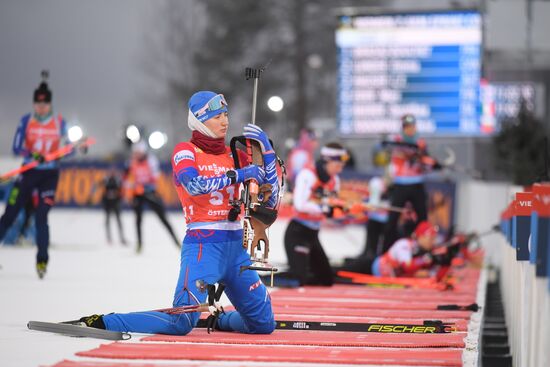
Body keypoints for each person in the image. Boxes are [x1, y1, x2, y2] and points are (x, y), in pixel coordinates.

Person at [78, 90, 279, 335]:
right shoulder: (186, 151)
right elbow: (194, 186)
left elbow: (270, 203)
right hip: (203, 248)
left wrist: (268, 156)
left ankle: (219, 320)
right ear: (199, 120)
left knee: (264, 325)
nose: (225, 121)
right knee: (180, 322)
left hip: (236, 250)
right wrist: (238, 175)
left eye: (226, 115)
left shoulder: (235, 154)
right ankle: (107, 321)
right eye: (217, 117)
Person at [0, 75, 68, 279]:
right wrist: (32, 155)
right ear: (34, 104)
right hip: (28, 173)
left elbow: (68, 148)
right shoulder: (26, 121)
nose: (41, 107)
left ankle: (42, 260)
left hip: (49, 174)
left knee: (41, 216)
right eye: (38, 103)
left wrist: (76, 148)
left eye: (45, 103)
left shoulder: (59, 122)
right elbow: (17, 147)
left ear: (50, 103)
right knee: (10, 213)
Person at [283, 142, 348, 286]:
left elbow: (332, 209)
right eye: (337, 165)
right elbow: (300, 204)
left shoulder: (334, 180)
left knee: (327, 280)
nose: (340, 169)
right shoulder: (308, 175)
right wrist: (326, 208)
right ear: (327, 161)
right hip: (297, 233)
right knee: (298, 279)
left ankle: (303, 271)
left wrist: (345, 209)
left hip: (313, 236)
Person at [382, 114, 440, 251]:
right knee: (392, 219)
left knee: (423, 220)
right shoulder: (396, 140)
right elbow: (392, 151)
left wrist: (431, 163)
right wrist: (411, 155)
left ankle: (423, 250)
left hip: (417, 184)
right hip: (401, 184)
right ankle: (385, 251)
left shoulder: (420, 142)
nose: (410, 129)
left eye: (412, 126)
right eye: (407, 127)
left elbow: (425, 160)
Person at [124, 142, 180, 253]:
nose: (136, 154)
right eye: (135, 152)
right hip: (138, 194)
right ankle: (139, 244)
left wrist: (145, 187)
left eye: (138, 152)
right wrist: (130, 193)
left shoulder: (151, 160)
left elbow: (156, 177)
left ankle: (176, 241)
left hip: (150, 192)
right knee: (138, 219)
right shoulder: (131, 162)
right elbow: (129, 180)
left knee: (163, 217)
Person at [372, 221, 437, 277]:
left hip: (393, 276)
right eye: (430, 238)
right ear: (421, 237)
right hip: (378, 269)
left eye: (434, 238)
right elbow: (406, 267)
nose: (433, 242)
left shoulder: (423, 249)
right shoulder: (405, 245)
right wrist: (424, 260)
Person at [91, 166, 127, 245]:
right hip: (107, 202)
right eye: (111, 171)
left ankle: (122, 238)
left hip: (116, 202)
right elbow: (97, 185)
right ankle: (109, 238)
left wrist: (120, 196)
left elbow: (123, 189)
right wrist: (93, 192)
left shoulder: (118, 180)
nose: (112, 173)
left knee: (118, 220)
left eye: (114, 172)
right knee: (107, 220)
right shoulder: (106, 179)